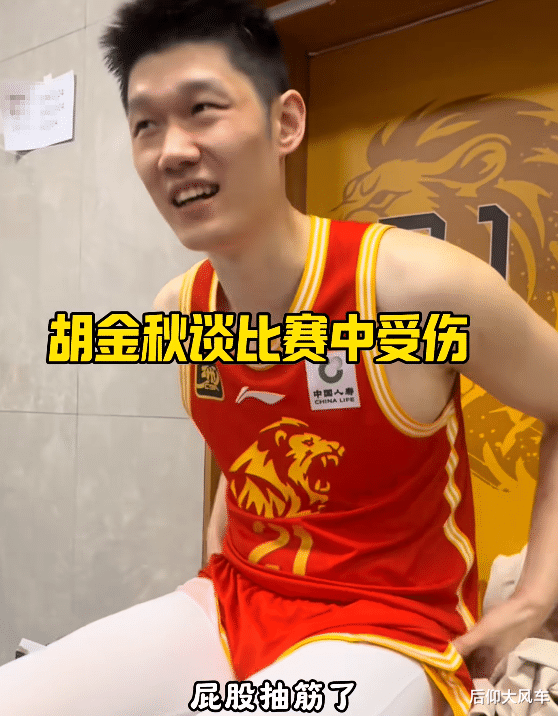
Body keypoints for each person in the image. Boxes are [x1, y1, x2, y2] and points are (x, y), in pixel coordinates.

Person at [0, 1, 557, 715]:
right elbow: (246, 446)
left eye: (202, 109)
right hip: (235, 601)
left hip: (389, 628)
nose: (172, 150)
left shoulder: (412, 288)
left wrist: (533, 599)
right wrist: (214, 558)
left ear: (286, 122)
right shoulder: (179, 310)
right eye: (146, 124)